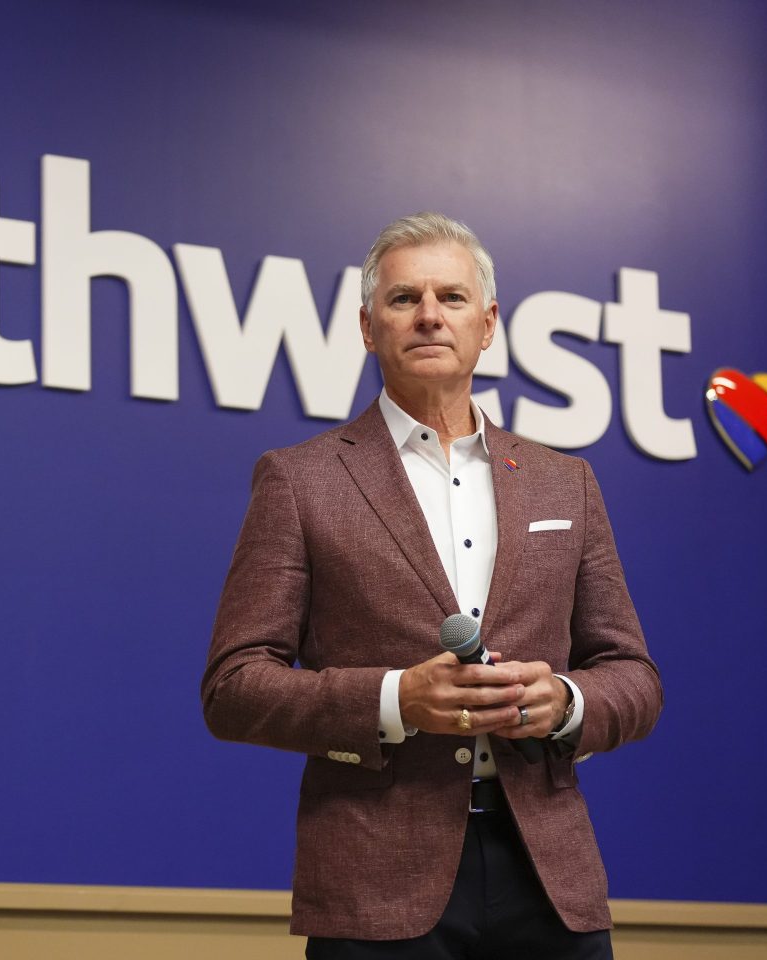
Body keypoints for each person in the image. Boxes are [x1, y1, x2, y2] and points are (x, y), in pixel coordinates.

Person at [202, 212, 662, 959]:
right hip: (374, 882)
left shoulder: (565, 483)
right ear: (365, 327)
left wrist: (566, 703)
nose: (427, 316)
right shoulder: (300, 480)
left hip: (549, 880)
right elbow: (233, 686)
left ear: (488, 325)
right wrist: (395, 700)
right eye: (402, 298)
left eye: (451, 297)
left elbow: (633, 676)